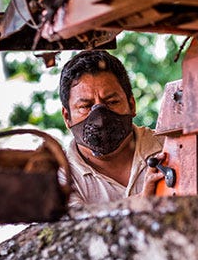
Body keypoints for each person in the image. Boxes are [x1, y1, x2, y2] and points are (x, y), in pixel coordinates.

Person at [59, 50, 165, 207]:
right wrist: (141, 202)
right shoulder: (61, 176)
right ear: (67, 117)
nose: (100, 117)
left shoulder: (168, 146)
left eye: (112, 102)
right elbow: (73, 227)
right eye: (85, 106)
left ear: (131, 105)